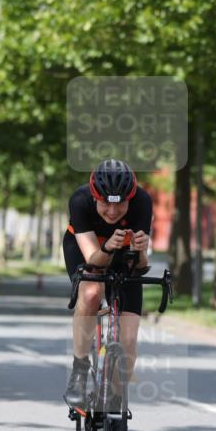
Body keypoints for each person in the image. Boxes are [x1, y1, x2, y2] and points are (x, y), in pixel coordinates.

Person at [62, 159, 152, 410]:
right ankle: (79, 370)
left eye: (121, 204)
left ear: (130, 199)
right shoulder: (80, 201)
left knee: (129, 337)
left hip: (124, 256)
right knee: (91, 292)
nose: (112, 213)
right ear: (95, 197)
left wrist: (140, 251)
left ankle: (115, 400)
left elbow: (141, 266)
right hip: (88, 250)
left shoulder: (142, 202)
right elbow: (93, 262)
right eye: (105, 204)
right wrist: (107, 246)